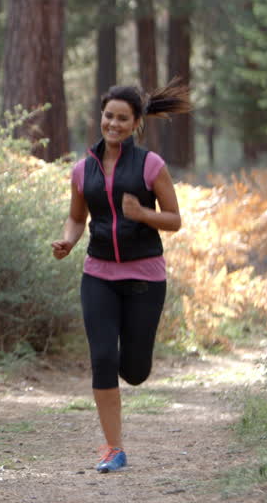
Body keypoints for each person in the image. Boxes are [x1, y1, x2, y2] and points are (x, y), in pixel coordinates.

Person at [50, 78, 191, 473]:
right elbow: (77, 218)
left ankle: (136, 364)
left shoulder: (151, 165)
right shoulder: (83, 169)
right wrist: (67, 241)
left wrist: (143, 214)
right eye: (108, 116)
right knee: (102, 358)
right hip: (97, 273)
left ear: (135, 123)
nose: (113, 124)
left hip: (145, 276)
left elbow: (175, 219)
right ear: (101, 117)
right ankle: (114, 447)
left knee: (135, 370)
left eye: (122, 118)